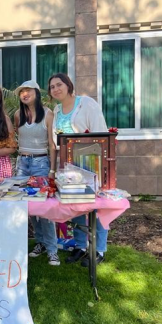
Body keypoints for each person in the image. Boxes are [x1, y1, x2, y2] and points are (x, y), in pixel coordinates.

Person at [48, 73, 109, 267]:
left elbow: (101, 134)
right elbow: (57, 142)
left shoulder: (86, 103)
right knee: (76, 208)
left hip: (91, 162)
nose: (56, 89)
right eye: (52, 87)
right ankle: (81, 246)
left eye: (59, 84)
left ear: (68, 85)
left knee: (96, 206)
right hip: (68, 166)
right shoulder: (56, 110)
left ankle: (99, 250)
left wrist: (102, 167)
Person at [14, 80, 60, 267]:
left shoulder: (48, 114)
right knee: (30, 208)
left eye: (28, 90)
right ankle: (40, 243)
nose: (24, 94)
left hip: (41, 162)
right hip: (22, 163)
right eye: (21, 91)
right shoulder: (18, 115)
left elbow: (52, 144)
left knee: (45, 208)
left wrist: (52, 169)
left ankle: (52, 250)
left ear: (36, 92)